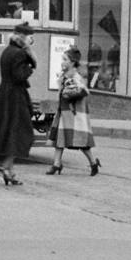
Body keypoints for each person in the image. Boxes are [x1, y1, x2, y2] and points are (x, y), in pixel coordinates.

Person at [0, 21, 37, 185]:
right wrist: (30, 67)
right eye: (30, 37)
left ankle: (9, 169)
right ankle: (4, 166)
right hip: (15, 96)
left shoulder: (7, 51)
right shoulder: (20, 54)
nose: (31, 40)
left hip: (5, 93)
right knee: (20, 132)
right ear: (23, 38)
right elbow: (19, 76)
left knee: (11, 131)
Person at [45, 46, 100, 175]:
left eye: (65, 59)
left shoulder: (76, 76)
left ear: (72, 62)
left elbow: (83, 91)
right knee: (60, 139)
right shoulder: (66, 75)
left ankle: (93, 163)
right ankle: (56, 164)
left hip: (74, 113)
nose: (62, 62)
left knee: (80, 141)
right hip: (65, 111)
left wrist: (67, 92)